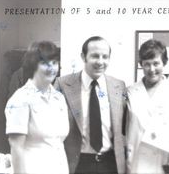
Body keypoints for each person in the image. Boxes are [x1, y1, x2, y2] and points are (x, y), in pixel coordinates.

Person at [54, 36, 127, 174]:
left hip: (111, 165)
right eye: (95, 56)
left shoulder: (119, 86)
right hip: (77, 165)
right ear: (83, 56)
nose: (100, 61)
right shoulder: (63, 85)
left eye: (105, 57)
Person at [5, 41, 69, 174]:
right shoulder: (20, 99)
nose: (51, 68)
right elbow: (16, 148)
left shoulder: (59, 98)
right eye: (45, 63)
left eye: (54, 63)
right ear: (33, 65)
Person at [126, 39, 169, 174]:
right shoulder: (129, 92)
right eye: (147, 64)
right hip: (136, 161)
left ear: (164, 63)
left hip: (164, 163)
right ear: (141, 64)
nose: (152, 69)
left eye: (156, 63)